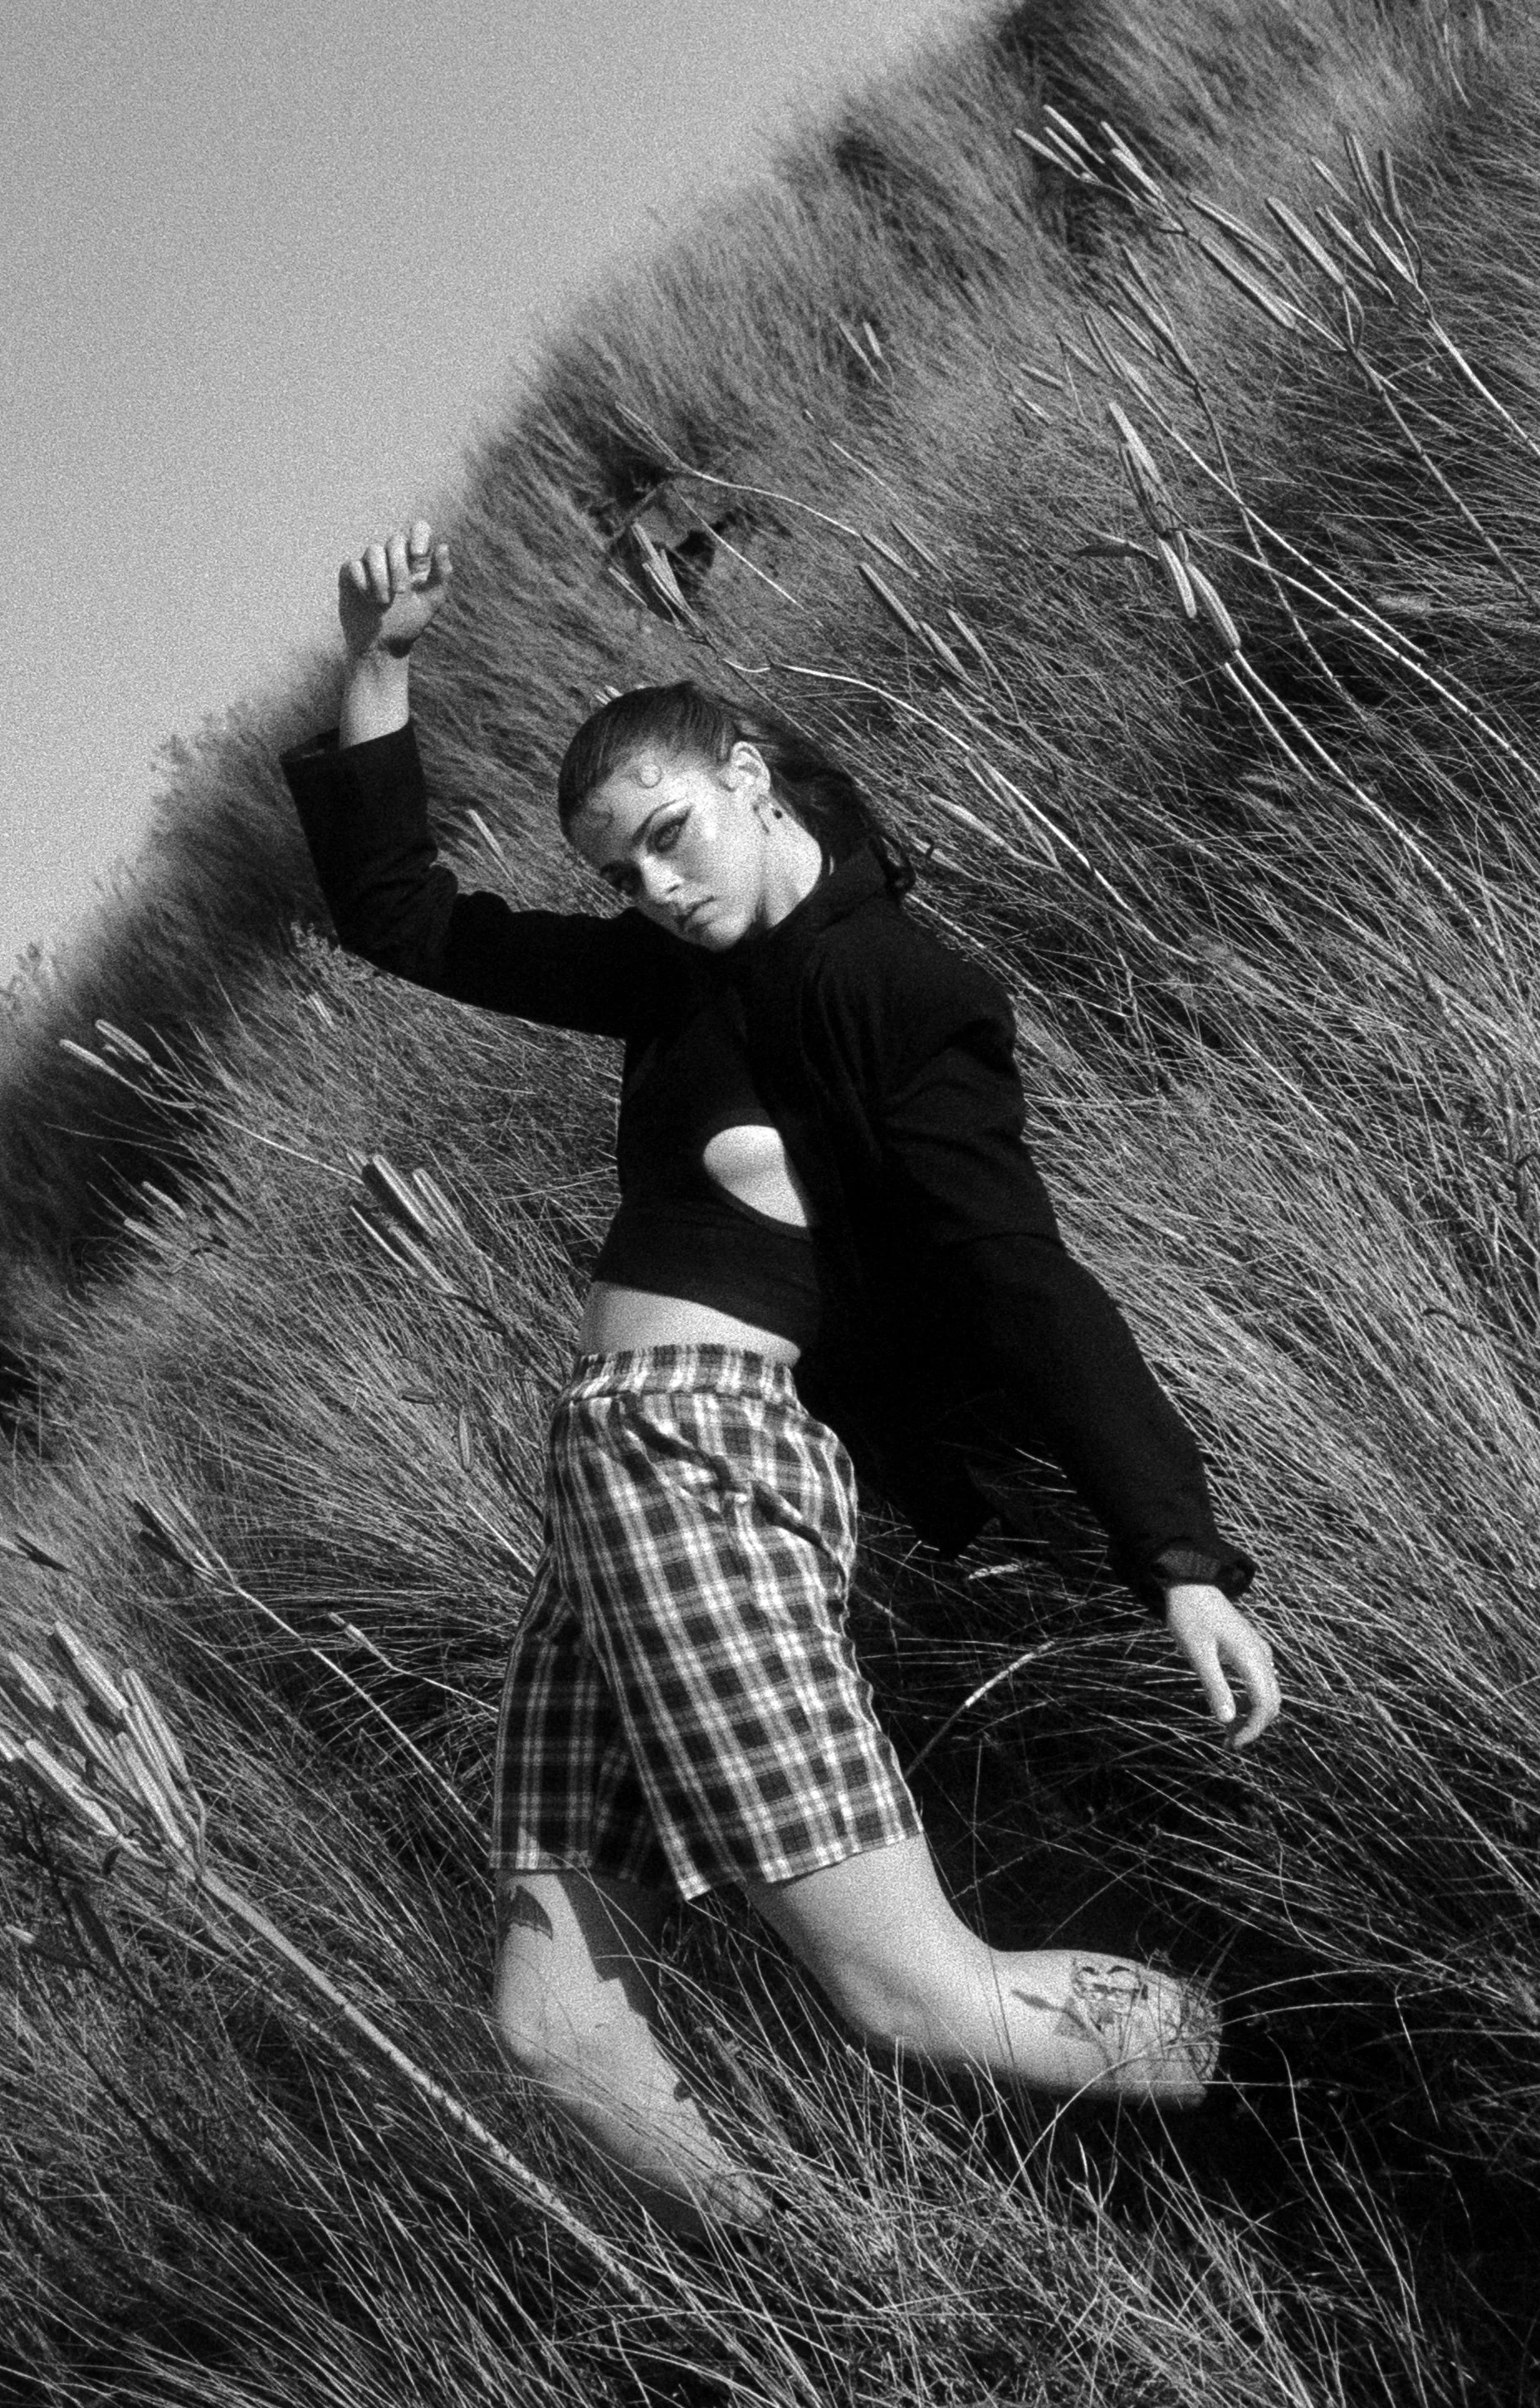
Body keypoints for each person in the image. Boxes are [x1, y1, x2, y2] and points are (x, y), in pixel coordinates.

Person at [281, 520, 1282, 2230]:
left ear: (746, 776)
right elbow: (400, 918)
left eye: (670, 839)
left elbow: (1020, 1273)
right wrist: (381, 661)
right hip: (609, 1494)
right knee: (546, 2019)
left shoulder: (891, 987)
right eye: (623, 873)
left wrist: (1174, 1552)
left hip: (707, 1479)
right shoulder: (687, 978)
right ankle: (808, 2275)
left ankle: (1272, 2090)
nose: (655, 891)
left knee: (920, 1996)